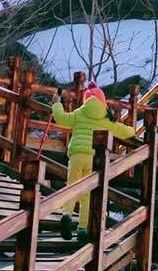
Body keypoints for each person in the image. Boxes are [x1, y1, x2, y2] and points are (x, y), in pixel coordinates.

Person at [50, 84, 136, 237]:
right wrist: (132, 130)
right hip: (93, 158)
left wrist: (57, 103)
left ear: (86, 100)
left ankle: (66, 215)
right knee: (87, 194)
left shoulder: (80, 112)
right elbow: (125, 132)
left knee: (71, 187)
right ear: (102, 101)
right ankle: (82, 229)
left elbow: (61, 118)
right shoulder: (106, 118)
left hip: (76, 155)